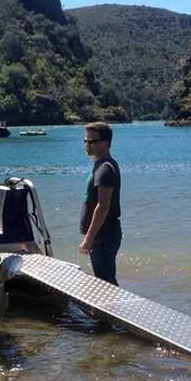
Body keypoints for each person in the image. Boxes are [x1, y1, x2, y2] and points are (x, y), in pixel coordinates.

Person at [77, 122, 122, 285]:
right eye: (85, 141)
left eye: (91, 141)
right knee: (105, 281)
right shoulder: (100, 166)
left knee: (106, 283)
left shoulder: (105, 169)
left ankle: (114, 310)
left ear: (105, 143)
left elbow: (103, 207)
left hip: (104, 235)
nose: (87, 145)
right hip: (102, 235)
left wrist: (88, 239)